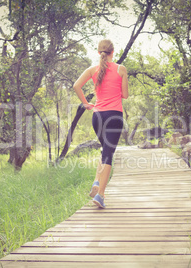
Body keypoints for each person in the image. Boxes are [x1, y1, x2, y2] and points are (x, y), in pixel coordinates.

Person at [73, 39, 129, 208]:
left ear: (99, 53)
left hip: (97, 116)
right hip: (114, 116)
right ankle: (100, 195)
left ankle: (96, 182)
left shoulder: (92, 70)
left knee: (105, 151)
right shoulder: (121, 69)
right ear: (113, 52)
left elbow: (76, 86)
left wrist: (85, 103)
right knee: (108, 154)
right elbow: (125, 95)